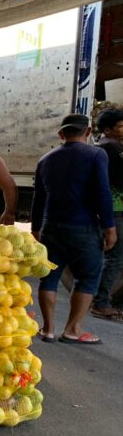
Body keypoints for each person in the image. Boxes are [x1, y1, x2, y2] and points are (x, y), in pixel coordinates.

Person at [31, 114, 116, 345]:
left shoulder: (45, 159)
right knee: (87, 278)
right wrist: (110, 227)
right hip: (84, 227)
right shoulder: (96, 154)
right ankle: (72, 329)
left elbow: (38, 198)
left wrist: (36, 227)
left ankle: (47, 329)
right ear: (88, 132)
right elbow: (102, 193)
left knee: (49, 276)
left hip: (51, 227)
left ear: (61, 134)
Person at [91, 108, 123, 321]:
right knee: (115, 257)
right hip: (115, 209)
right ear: (107, 129)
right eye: (120, 126)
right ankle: (101, 302)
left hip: (114, 208)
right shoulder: (110, 148)